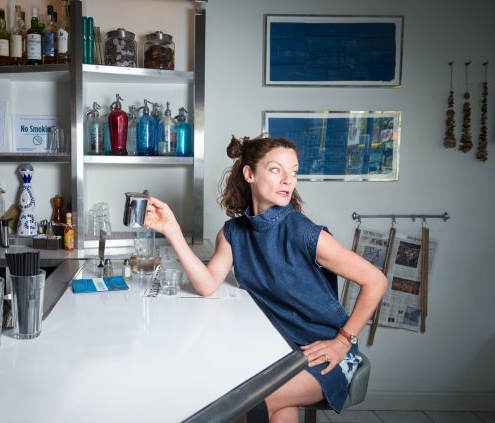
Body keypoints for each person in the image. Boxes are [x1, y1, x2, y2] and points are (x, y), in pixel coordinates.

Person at [143, 135, 387, 423]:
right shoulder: (233, 233)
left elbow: (376, 280)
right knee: (281, 415)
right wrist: (172, 230)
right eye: (276, 170)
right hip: (277, 351)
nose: (288, 180)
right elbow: (208, 285)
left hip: (324, 351)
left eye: (294, 172)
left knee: (244, 404)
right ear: (249, 174)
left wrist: (343, 341)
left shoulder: (304, 232)